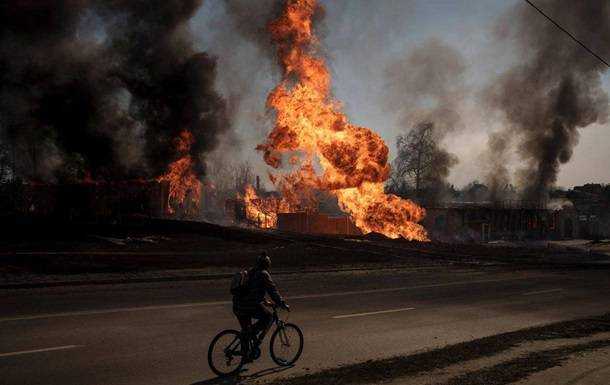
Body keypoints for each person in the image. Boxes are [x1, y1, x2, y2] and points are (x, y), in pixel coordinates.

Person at [232, 252, 289, 345]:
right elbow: (273, 291)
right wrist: (282, 304)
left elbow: (253, 293)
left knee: (246, 330)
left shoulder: (250, 272)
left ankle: (245, 354)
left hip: (237, 305)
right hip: (248, 306)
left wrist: (266, 302)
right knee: (269, 317)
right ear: (267, 264)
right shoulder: (263, 274)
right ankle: (252, 335)